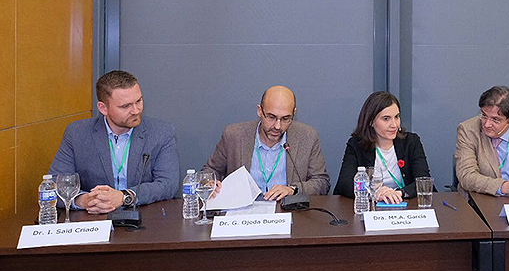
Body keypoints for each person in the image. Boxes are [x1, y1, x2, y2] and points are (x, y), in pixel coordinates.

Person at [48, 70, 179, 213]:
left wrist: (125, 196)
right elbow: (54, 186)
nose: (136, 110)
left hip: (142, 220)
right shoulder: (77, 133)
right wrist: (84, 200)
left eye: (138, 101)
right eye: (125, 106)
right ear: (103, 108)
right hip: (93, 219)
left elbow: (168, 184)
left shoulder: (161, 132)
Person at [204, 85, 330, 200]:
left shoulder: (307, 137)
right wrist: (209, 183)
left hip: (287, 214)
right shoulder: (234, 135)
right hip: (242, 213)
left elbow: (321, 182)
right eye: (271, 117)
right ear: (260, 111)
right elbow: (209, 171)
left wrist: (292, 189)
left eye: (286, 119)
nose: (277, 126)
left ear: (294, 113)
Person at [335, 92, 432, 202]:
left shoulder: (411, 142)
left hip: (404, 205)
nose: (394, 124)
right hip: (370, 206)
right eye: (386, 118)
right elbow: (344, 183)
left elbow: (423, 180)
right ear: (371, 121)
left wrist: (398, 193)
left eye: (397, 117)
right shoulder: (357, 145)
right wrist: (375, 193)